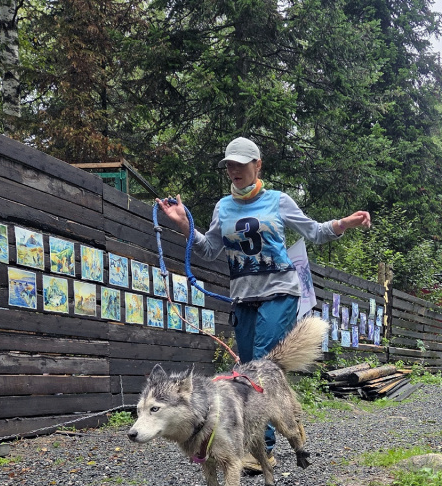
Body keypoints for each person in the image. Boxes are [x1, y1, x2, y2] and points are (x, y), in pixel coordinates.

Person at [156, 136, 371, 465]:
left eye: (241, 163)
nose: (234, 169)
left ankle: (262, 450)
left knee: (259, 369)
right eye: (229, 164)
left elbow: (313, 231)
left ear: (257, 166)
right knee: (245, 373)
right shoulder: (222, 207)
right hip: (243, 298)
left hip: (279, 293)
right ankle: (285, 422)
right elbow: (209, 249)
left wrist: (344, 224)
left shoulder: (278, 201)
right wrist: (186, 226)